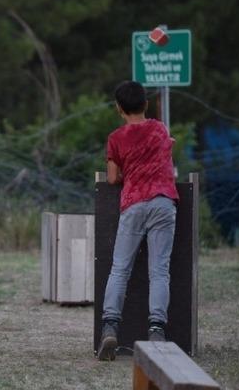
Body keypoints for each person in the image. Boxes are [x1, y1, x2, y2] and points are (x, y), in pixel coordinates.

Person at [97, 81, 179, 361]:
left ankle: (110, 327)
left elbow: (111, 178)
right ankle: (157, 330)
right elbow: (167, 153)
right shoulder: (159, 129)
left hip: (133, 203)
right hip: (163, 202)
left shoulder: (116, 138)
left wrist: (126, 174)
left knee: (120, 269)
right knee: (159, 270)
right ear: (145, 104)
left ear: (119, 108)